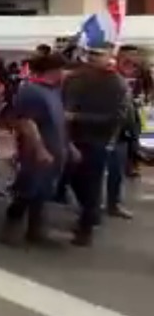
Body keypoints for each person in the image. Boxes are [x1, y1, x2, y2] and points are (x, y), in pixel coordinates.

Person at [61, 43, 131, 245]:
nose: (93, 58)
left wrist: (78, 117)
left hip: (97, 140)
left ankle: (86, 227)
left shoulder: (116, 83)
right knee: (72, 179)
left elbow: (116, 117)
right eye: (91, 53)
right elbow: (64, 102)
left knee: (91, 183)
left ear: (109, 57)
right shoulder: (74, 78)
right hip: (72, 137)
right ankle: (89, 213)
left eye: (98, 54)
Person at [0, 52, 69, 247]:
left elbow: (58, 122)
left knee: (43, 191)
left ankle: (35, 230)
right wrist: (39, 149)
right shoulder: (31, 90)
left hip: (54, 147)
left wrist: (68, 146)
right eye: (63, 69)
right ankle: (10, 228)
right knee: (27, 189)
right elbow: (27, 123)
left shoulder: (54, 90)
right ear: (53, 70)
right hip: (36, 151)